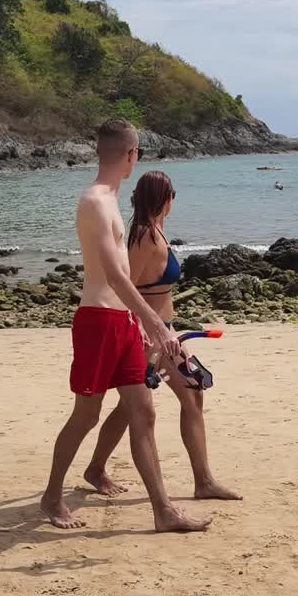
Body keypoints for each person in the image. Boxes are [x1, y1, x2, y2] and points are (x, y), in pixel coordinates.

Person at [40, 119, 210, 533]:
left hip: (122, 322)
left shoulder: (112, 201)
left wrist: (139, 324)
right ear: (131, 155)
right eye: (136, 154)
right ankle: (51, 496)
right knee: (86, 416)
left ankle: (163, 510)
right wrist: (157, 325)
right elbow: (116, 276)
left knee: (143, 411)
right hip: (98, 321)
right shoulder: (96, 201)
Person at [84, 171, 241, 502]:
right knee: (145, 405)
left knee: (179, 397)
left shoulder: (155, 230)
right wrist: (147, 332)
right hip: (150, 336)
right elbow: (126, 285)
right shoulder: (144, 237)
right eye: (173, 195)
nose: (174, 202)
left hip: (167, 333)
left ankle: (201, 480)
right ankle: (202, 481)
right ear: (165, 197)